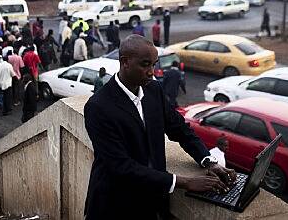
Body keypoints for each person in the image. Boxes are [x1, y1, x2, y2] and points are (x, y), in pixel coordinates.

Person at [84, 35, 236, 219]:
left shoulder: (154, 90)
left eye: (154, 64)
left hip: (154, 200)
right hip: (115, 204)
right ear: (125, 62)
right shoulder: (98, 106)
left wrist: (209, 160)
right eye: (145, 64)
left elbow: (180, 129)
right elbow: (120, 166)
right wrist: (185, 182)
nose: (151, 72)